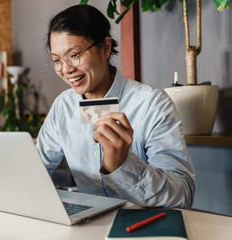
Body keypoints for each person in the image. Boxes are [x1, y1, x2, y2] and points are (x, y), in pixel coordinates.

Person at [36, 4, 195, 208]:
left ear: (106, 48)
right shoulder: (63, 106)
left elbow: (183, 195)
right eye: (56, 60)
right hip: (87, 225)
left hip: (145, 225)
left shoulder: (152, 103)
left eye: (74, 55)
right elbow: (37, 170)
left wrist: (122, 165)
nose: (66, 69)